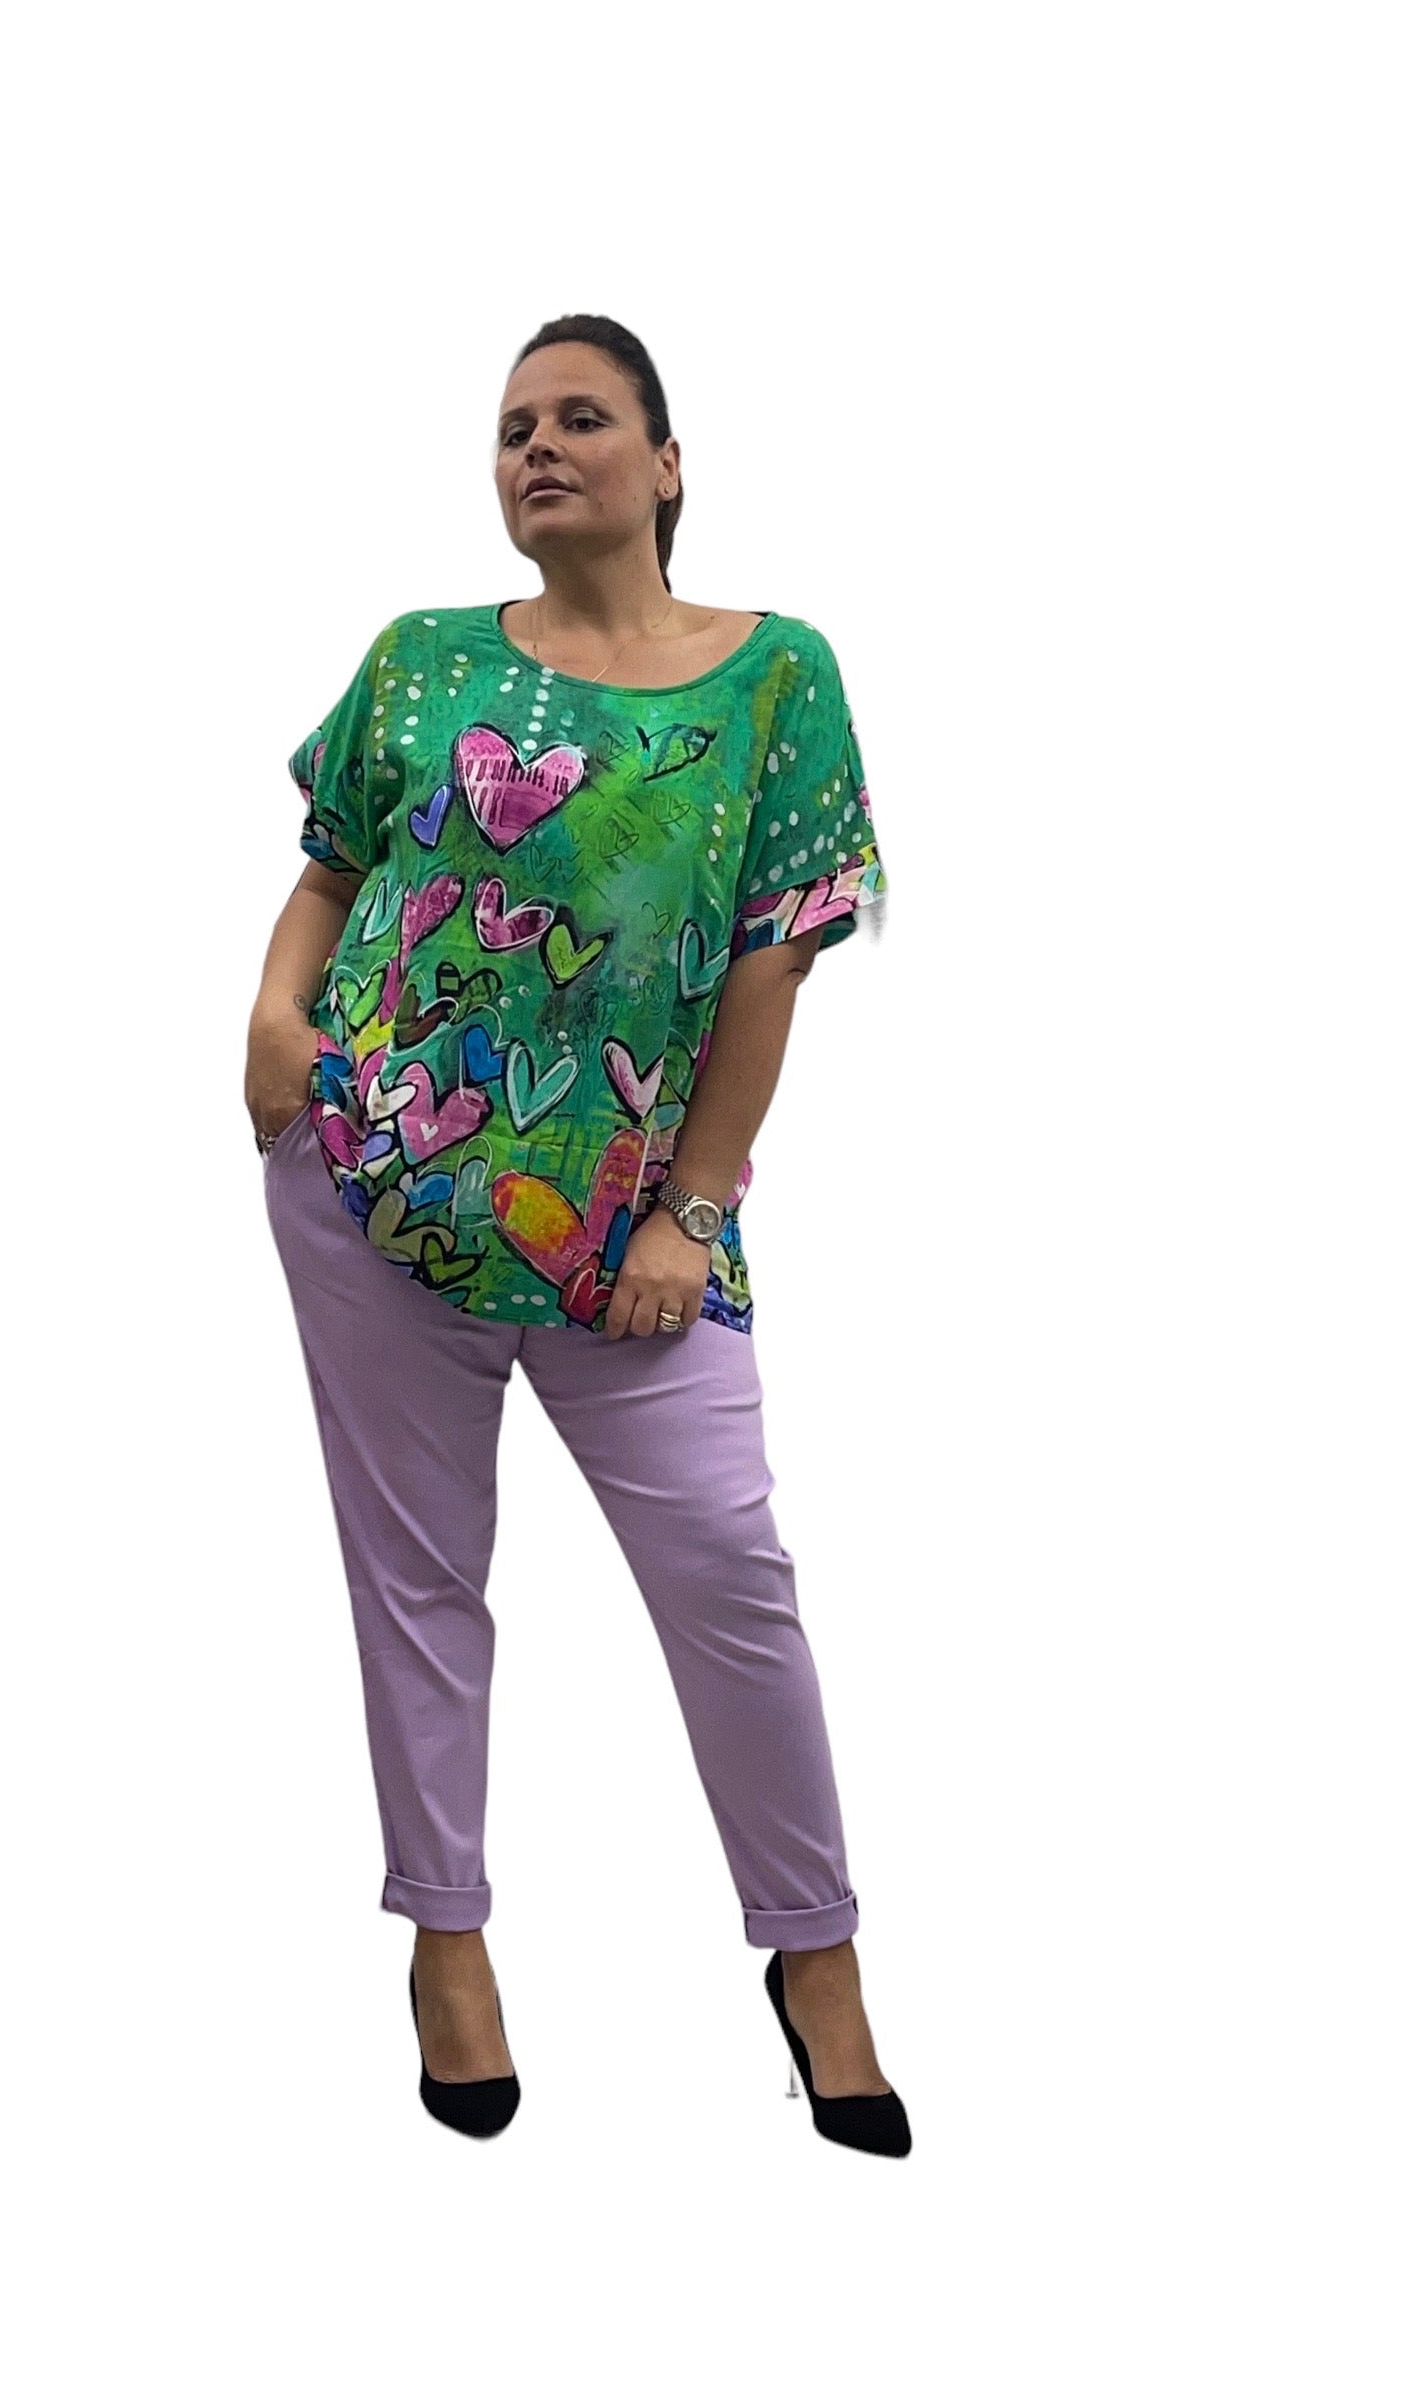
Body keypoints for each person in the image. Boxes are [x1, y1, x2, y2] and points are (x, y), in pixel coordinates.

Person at [245, 314, 909, 2156]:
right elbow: (331, 873)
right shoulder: (423, 659)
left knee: (728, 1577)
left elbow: (773, 963)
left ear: (667, 464)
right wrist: (275, 1019)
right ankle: (447, 1945)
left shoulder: (775, 678)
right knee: (417, 1582)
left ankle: (817, 1955)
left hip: (637, 1243)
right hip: (373, 1183)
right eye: (513, 426)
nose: (538, 447)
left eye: (583, 418)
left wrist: (693, 1209)